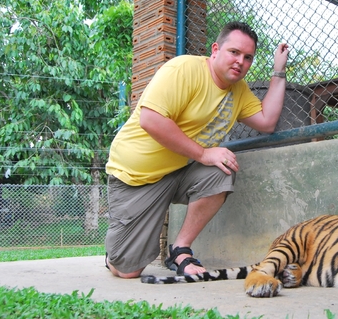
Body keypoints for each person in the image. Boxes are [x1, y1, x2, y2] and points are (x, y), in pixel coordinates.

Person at [104, 21, 290, 278]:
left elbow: (267, 121)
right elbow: (151, 119)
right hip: (136, 177)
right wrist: (203, 154)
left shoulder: (239, 90)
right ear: (215, 49)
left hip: (178, 171)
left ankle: (180, 249)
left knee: (223, 168)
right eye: (234, 52)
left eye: (248, 57)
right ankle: (115, 253)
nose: (240, 62)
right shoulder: (184, 69)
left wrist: (278, 72)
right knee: (126, 270)